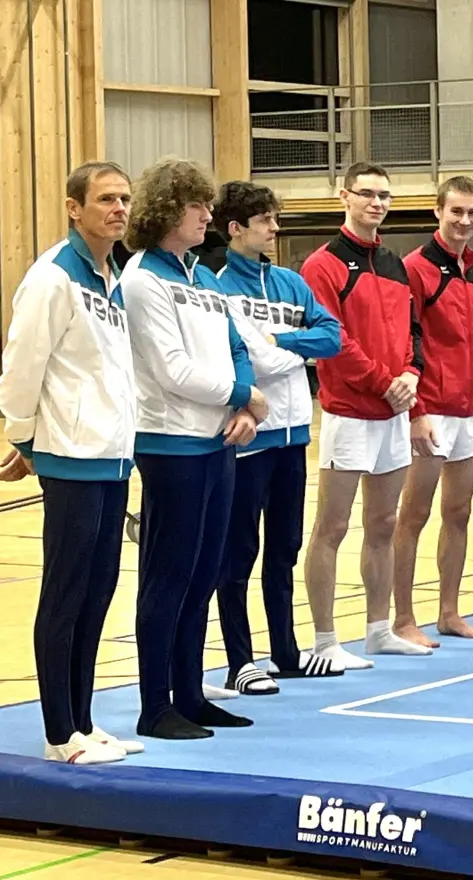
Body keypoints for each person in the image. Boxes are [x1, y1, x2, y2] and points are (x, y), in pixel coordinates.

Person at [0, 162, 142, 763]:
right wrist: (27, 441)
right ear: (74, 208)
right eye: (106, 198)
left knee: (98, 591)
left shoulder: (113, 275)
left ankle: (83, 720)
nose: (119, 208)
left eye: (125, 198)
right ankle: (59, 734)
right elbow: (22, 367)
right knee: (64, 594)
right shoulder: (53, 277)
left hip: (112, 457)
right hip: (71, 457)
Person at [120, 158, 264, 739]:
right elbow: (174, 370)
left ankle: (189, 692)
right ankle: (154, 705)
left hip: (216, 442)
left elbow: (236, 344)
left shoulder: (201, 277)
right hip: (170, 443)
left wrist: (242, 406)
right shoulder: (142, 280)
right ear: (166, 211)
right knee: (168, 577)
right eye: (196, 206)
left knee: (205, 572)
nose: (208, 214)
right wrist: (245, 395)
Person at [209, 180, 342, 693]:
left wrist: (282, 341)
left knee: (284, 547)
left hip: (292, 437)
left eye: (274, 218)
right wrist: (293, 352)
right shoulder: (219, 286)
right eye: (264, 220)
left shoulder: (290, 282)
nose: (274, 228)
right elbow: (251, 355)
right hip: (249, 439)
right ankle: (240, 660)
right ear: (236, 227)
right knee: (238, 550)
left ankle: (286, 651)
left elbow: (332, 336)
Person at [300, 161, 427, 669]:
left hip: (393, 413)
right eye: (367, 194)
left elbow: (414, 334)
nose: (376, 203)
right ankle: (326, 641)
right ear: (344, 197)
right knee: (331, 526)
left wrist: (412, 376)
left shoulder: (395, 264)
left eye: (384, 197)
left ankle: (378, 629)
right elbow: (334, 341)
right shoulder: (323, 265)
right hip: (350, 412)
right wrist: (383, 382)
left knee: (383, 522)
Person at [390, 176, 473, 648]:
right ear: (438, 212)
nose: (466, 221)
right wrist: (418, 410)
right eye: (458, 211)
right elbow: (408, 342)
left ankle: (450, 611)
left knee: (460, 512)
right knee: (413, 514)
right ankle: (403, 618)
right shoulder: (415, 268)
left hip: (472, 409)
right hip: (432, 410)